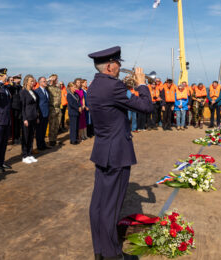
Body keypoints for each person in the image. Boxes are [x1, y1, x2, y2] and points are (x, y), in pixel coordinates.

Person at [87, 46, 153, 260]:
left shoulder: (95, 85)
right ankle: (113, 254)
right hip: (117, 153)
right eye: (118, 63)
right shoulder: (113, 86)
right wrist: (142, 83)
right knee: (111, 207)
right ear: (109, 66)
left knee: (98, 204)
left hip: (102, 150)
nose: (120, 67)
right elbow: (146, 106)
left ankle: (99, 250)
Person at [19, 74, 39, 164]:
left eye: (33, 81)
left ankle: (30, 153)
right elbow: (22, 107)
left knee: (31, 137)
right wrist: (24, 119)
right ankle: (24, 155)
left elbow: (36, 105)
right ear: (26, 82)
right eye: (31, 81)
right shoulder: (23, 92)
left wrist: (37, 117)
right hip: (27, 117)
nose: (33, 82)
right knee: (25, 137)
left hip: (33, 117)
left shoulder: (33, 92)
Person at [34, 77, 50, 150]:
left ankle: (43, 144)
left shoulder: (46, 91)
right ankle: (39, 145)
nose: (45, 82)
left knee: (44, 130)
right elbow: (36, 104)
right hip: (40, 113)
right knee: (39, 131)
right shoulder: (37, 91)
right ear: (40, 82)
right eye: (44, 81)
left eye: (46, 81)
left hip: (46, 113)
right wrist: (37, 114)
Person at [46, 74, 61, 146]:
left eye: (56, 79)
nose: (56, 80)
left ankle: (54, 139)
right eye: (55, 79)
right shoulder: (48, 87)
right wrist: (49, 79)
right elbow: (41, 85)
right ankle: (51, 140)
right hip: (52, 108)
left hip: (58, 108)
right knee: (52, 125)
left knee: (57, 125)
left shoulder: (58, 88)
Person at [8, 74, 22, 144]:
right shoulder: (12, 86)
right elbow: (9, 86)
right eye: (18, 78)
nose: (20, 79)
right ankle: (15, 138)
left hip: (19, 107)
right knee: (14, 124)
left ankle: (18, 137)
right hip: (14, 107)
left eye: (20, 78)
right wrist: (13, 82)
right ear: (15, 79)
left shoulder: (20, 86)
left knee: (18, 124)